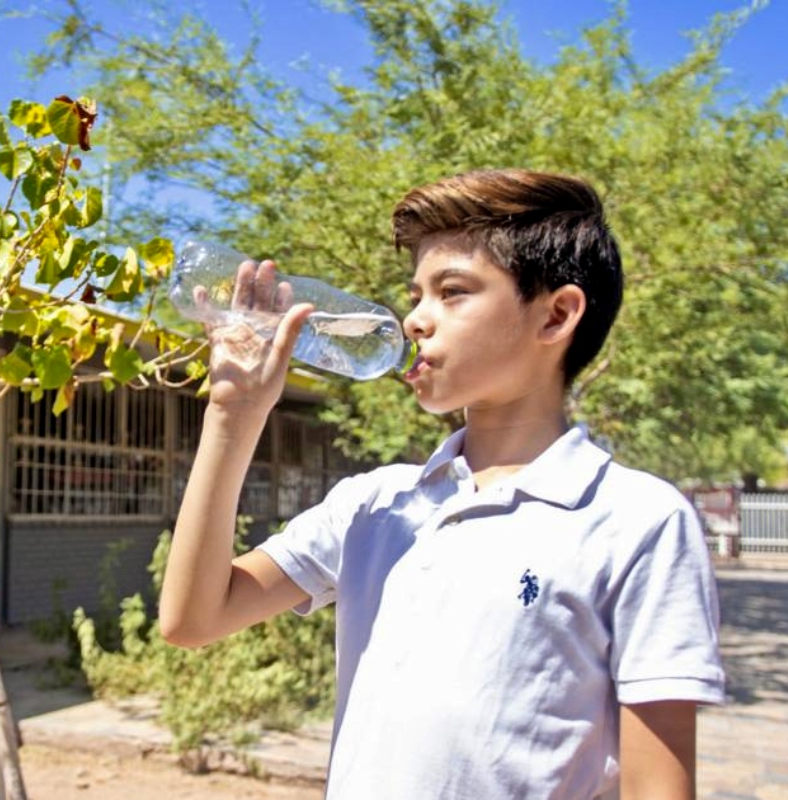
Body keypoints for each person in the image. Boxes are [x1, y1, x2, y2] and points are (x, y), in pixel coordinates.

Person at [159, 169, 725, 799]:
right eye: (416, 295)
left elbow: (660, 788)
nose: (413, 322)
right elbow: (193, 618)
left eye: (452, 292)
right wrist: (233, 418)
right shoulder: (375, 504)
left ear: (556, 315)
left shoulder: (638, 520)